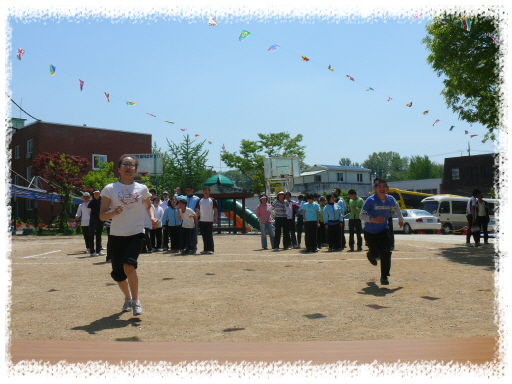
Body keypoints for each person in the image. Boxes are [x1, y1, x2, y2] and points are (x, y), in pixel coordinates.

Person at [99, 155, 158, 316]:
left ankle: (136, 301)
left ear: (136, 170)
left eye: (131, 165)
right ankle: (127, 297)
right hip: (116, 235)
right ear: (118, 169)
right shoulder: (110, 189)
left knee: (129, 266)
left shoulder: (142, 189)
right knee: (118, 274)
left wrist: (152, 218)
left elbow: (148, 206)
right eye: (125, 164)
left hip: (136, 233)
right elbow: (102, 216)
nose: (128, 167)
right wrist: (113, 212)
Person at [360, 179, 404, 286]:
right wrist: (373, 219)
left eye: (384, 186)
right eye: (380, 186)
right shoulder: (370, 200)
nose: (382, 188)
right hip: (370, 231)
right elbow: (361, 216)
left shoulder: (390, 199)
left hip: (383, 230)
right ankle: (371, 254)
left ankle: (384, 277)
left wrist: (401, 219)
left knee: (386, 251)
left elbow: (396, 208)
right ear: (375, 189)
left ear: (387, 189)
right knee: (375, 253)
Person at [196, 186, 218, 254]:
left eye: (207, 190)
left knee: (209, 235)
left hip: (209, 220)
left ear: (209, 191)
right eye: (205, 190)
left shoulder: (212, 200)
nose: (206, 192)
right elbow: (197, 210)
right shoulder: (200, 200)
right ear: (203, 192)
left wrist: (216, 218)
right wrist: (196, 218)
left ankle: (211, 249)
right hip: (202, 220)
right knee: (204, 236)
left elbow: (215, 209)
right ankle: (205, 249)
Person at [87, 190, 105, 257]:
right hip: (92, 220)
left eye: (98, 193)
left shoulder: (102, 202)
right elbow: (88, 213)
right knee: (91, 236)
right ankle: (92, 251)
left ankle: (98, 250)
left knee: (99, 235)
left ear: (100, 194)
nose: (96, 194)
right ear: (93, 194)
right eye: (95, 193)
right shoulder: (91, 203)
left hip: (100, 220)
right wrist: (93, 219)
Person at [185, 185, 200, 252]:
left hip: (193, 218)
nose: (188, 192)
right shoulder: (183, 198)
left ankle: (194, 247)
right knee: (187, 233)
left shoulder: (197, 199)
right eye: (187, 190)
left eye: (189, 190)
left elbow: (198, 209)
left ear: (192, 190)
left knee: (194, 233)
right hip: (185, 219)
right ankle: (187, 247)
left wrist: (197, 218)